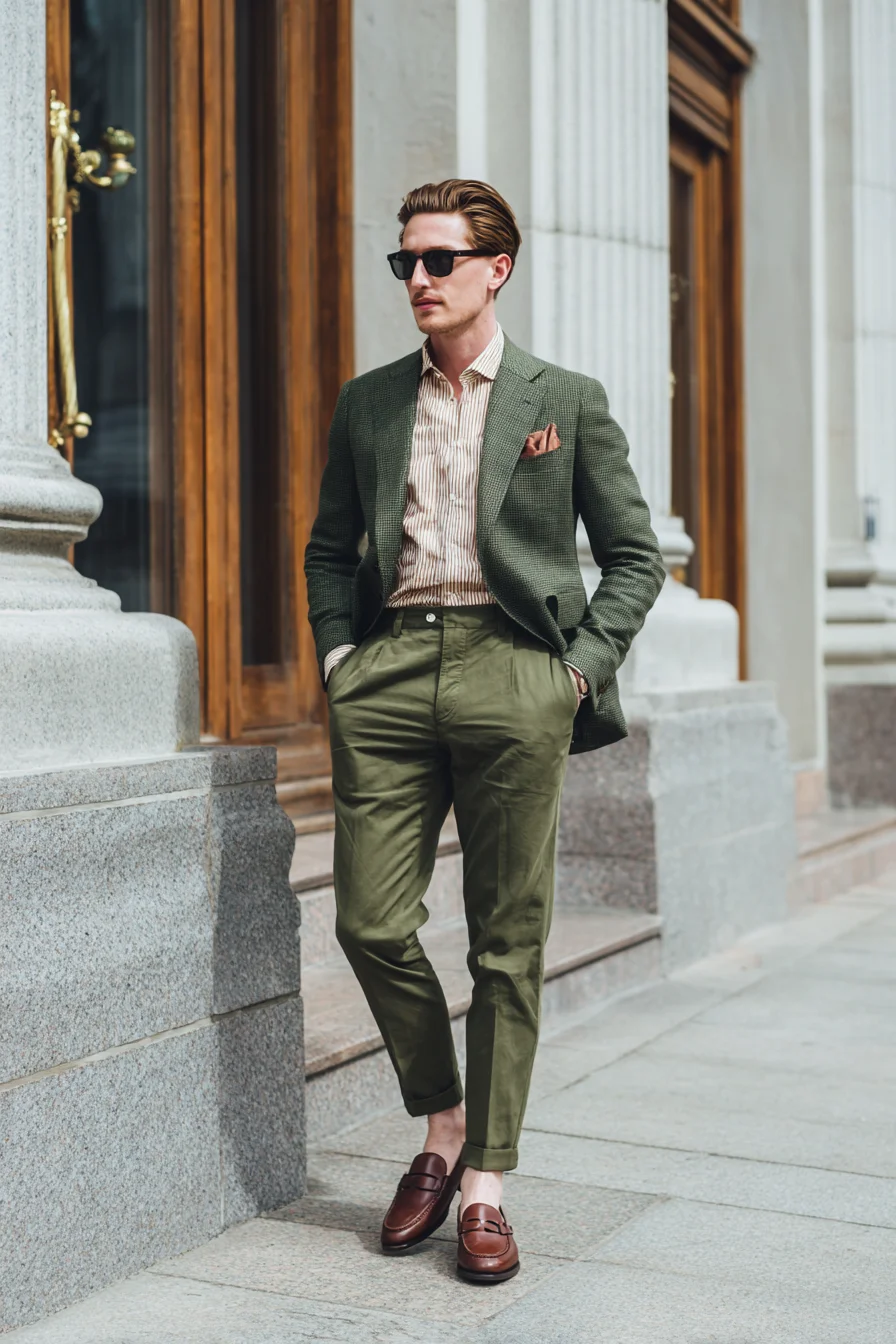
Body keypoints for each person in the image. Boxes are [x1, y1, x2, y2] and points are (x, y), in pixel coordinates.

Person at [304, 179, 664, 1285]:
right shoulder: (369, 403)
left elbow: (635, 556)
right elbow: (329, 549)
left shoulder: (566, 399)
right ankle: (444, 1118)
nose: (417, 279)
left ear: (495, 268)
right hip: (392, 667)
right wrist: (338, 659)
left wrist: (572, 674)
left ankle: (484, 1182)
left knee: (507, 940)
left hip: (516, 671)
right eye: (405, 262)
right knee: (369, 922)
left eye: (439, 260)